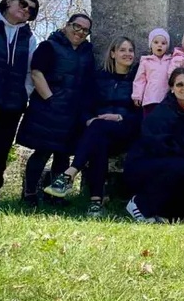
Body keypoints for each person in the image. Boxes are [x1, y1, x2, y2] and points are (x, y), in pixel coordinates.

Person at [43, 37, 142, 216]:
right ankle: (96, 203)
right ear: (113, 54)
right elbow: (84, 105)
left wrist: (119, 116)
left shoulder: (138, 78)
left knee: (98, 129)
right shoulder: (98, 77)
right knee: (99, 140)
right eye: (122, 50)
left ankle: (69, 175)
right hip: (99, 132)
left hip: (126, 130)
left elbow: (142, 112)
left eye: (130, 50)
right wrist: (88, 119)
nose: (127, 54)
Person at [16, 14, 96, 206]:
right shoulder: (49, 46)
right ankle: (29, 194)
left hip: (73, 111)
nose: (80, 32)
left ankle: (55, 195)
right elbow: (36, 72)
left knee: (63, 154)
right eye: (77, 27)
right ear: (67, 26)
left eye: (85, 30)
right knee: (42, 151)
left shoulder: (87, 52)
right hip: (48, 109)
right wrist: (50, 99)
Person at [123, 68, 184, 222]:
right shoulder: (161, 113)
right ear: (172, 89)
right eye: (180, 85)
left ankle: (176, 213)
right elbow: (160, 147)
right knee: (177, 172)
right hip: (152, 164)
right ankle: (140, 204)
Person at [0, 0, 40, 208]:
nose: (26, 11)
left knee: (1, 151)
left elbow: (29, 70)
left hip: (13, 103)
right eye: (23, 4)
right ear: (7, 1)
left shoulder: (28, 36)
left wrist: (25, 92)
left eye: (31, 10)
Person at [132, 28, 174, 116]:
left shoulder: (171, 61)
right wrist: (137, 95)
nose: (159, 45)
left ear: (167, 46)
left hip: (166, 99)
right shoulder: (146, 61)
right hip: (150, 99)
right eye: (156, 42)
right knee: (150, 121)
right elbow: (140, 80)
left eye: (163, 43)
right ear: (150, 45)